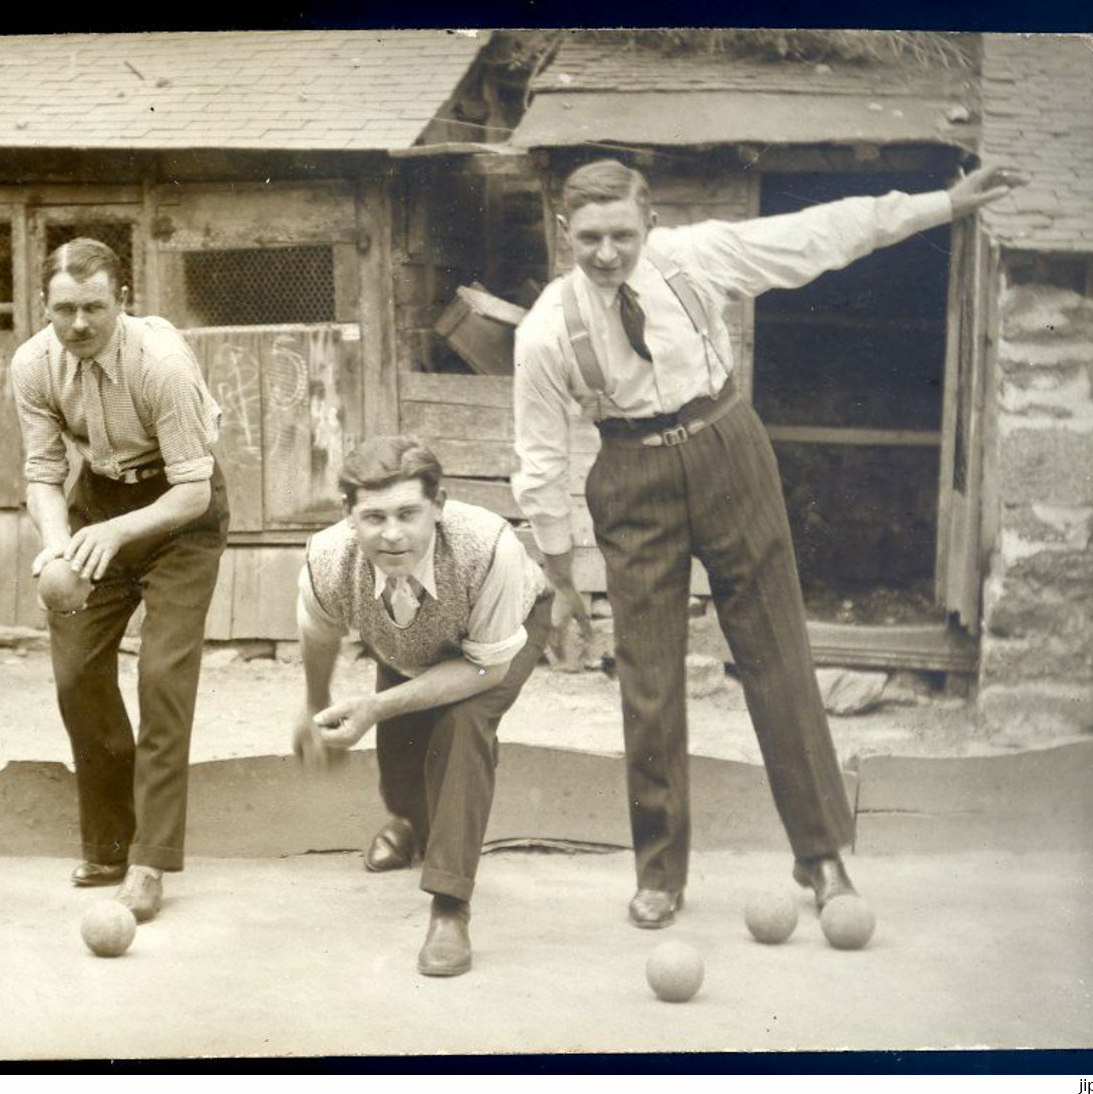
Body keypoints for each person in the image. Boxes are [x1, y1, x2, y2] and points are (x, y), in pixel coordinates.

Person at [512, 158, 1026, 928]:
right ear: (564, 232)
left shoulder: (695, 257)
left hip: (727, 452)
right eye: (589, 238)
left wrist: (942, 204)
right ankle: (658, 872)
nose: (607, 253)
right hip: (629, 475)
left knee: (775, 655)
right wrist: (559, 580)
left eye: (621, 233)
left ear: (648, 222)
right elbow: (541, 463)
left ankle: (819, 855)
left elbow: (818, 235)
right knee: (648, 682)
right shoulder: (546, 331)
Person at [12, 238, 226, 924]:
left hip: (177, 511)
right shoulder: (33, 364)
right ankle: (107, 842)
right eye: (63, 309)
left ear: (122, 302)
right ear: (44, 305)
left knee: (162, 677)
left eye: (94, 308)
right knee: (76, 675)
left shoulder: (159, 363)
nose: (78, 324)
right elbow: (43, 474)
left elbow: (193, 493)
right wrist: (56, 552)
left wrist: (112, 535)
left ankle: (149, 859)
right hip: (96, 501)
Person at [294, 436, 552, 976]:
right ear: (348, 515)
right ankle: (413, 824)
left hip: (495, 644)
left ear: (438, 505)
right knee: (401, 761)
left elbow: (486, 667)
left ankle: (450, 906)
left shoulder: (489, 546)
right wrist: (314, 703)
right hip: (404, 638)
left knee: (461, 726)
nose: (392, 534)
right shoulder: (327, 556)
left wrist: (377, 705)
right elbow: (319, 632)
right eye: (374, 516)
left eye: (409, 513)